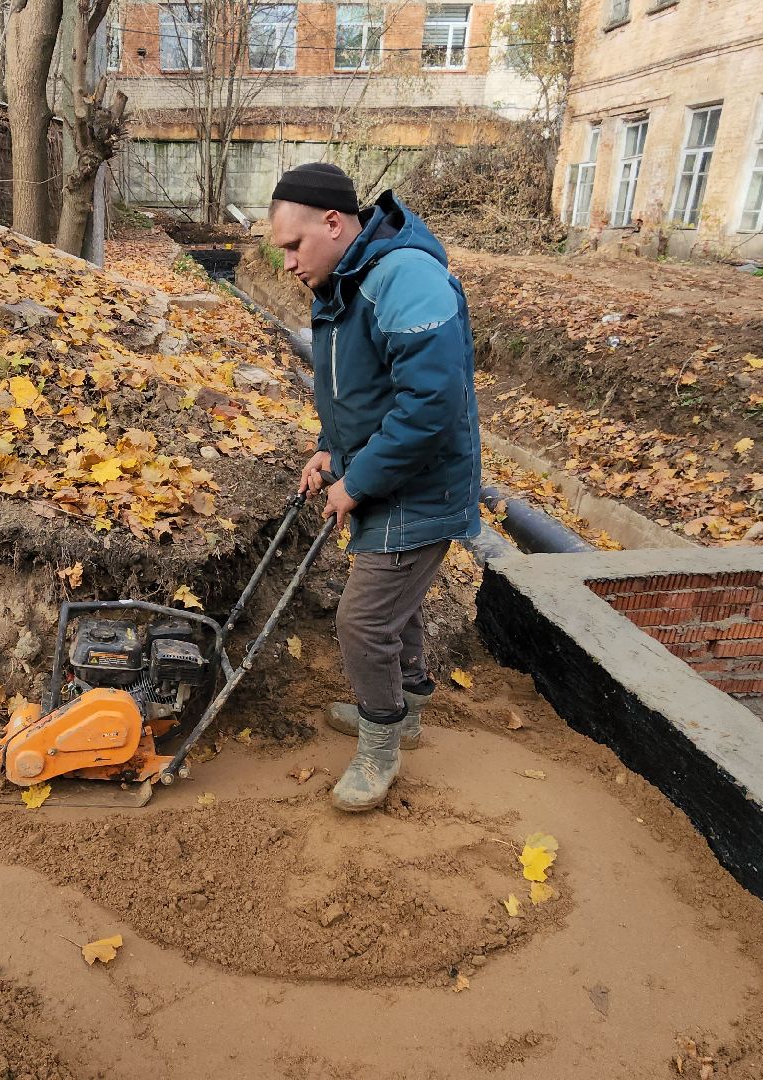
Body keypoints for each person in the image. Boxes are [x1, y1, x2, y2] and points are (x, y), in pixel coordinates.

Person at [266, 162, 481, 813]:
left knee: (362, 622)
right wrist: (333, 450)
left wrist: (356, 482)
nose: (287, 264)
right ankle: (406, 711)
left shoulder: (405, 279)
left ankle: (380, 743)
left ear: (333, 224)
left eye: (292, 246)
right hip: (392, 477)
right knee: (396, 613)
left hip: (422, 488)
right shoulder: (347, 279)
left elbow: (430, 405)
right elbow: (363, 390)